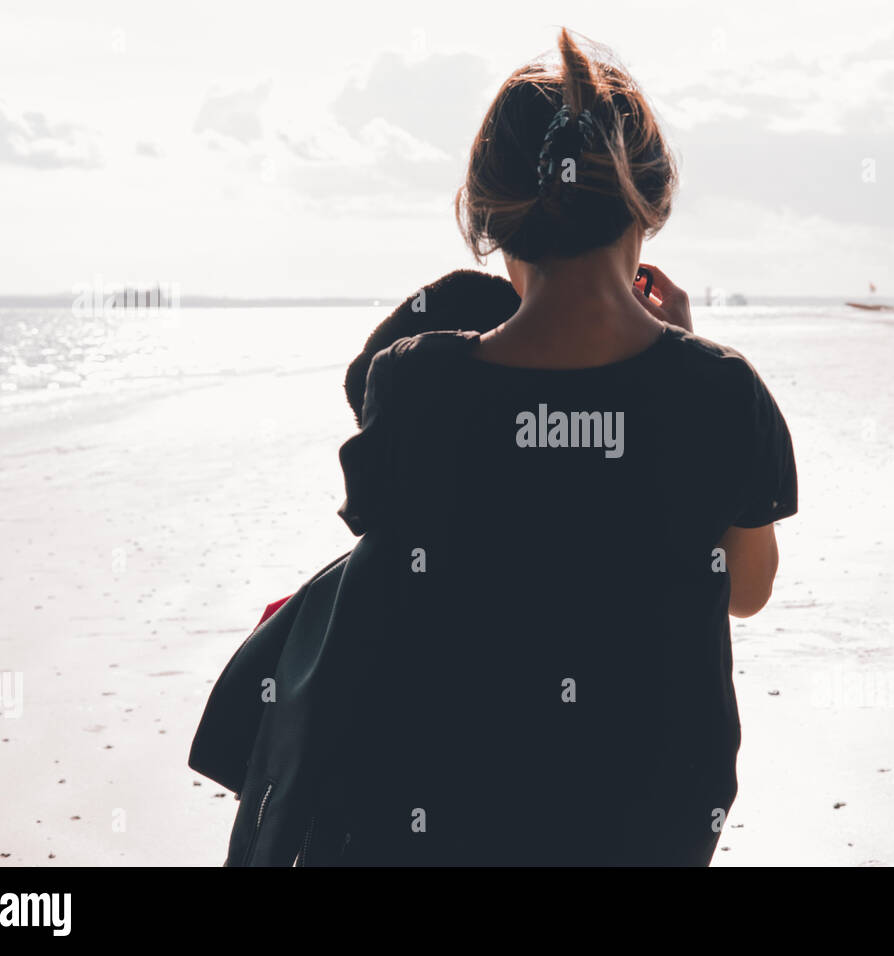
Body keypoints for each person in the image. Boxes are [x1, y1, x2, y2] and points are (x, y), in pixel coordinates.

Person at [326, 27, 797, 866]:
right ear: (648, 206)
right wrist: (681, 360)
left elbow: (394, 555)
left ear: (488, 217)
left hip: (444, 813)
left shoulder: (414, 385)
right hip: (654, 819)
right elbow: (747, 591)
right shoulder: (721, 390)